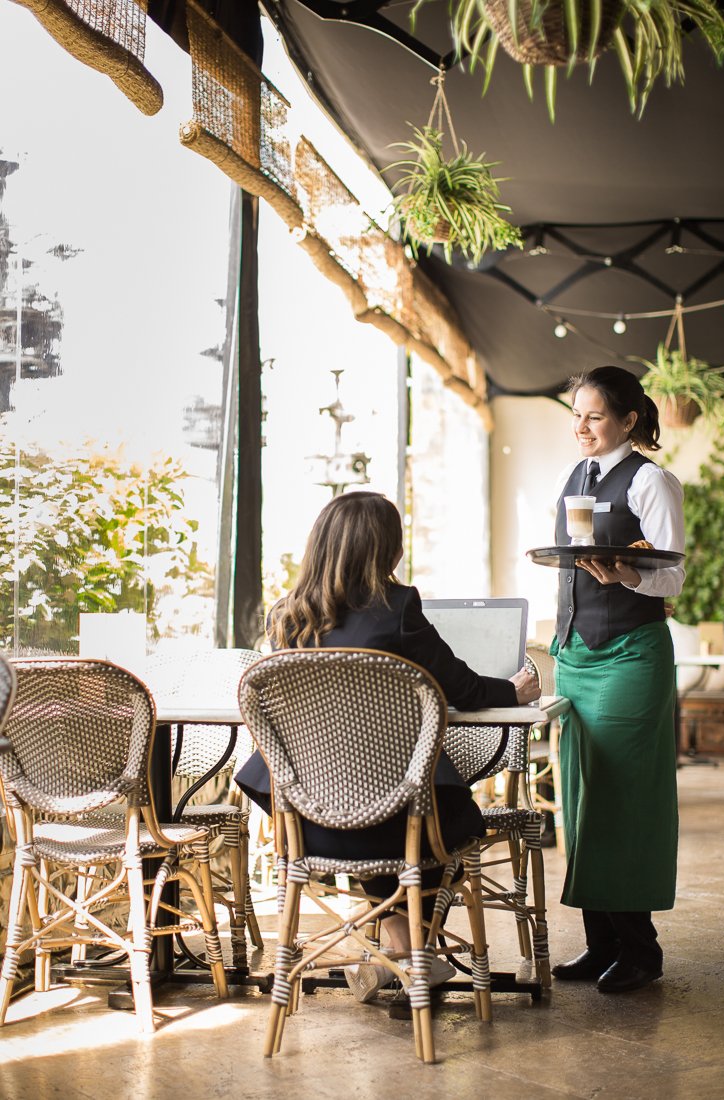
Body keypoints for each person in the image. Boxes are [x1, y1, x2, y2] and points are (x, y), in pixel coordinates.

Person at [235, 491, 539, 1002]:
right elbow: (460, 688)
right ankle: (415, 956)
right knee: (435, 822)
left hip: (313, 823)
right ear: (388, 553)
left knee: (379, 816)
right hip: (401, 818)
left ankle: (399, 952)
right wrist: (514, 690)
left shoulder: (285, 618)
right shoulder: (399, 608)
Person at [549, 365, 685, 994]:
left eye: (594, 415)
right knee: (581, 797)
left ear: (629, 420)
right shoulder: (578, 475)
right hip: (576, 654)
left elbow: (672, 578)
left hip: (630, 654)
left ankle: (640, 950)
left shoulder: (652, 481)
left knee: (625, 798)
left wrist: (627, 575)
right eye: (576, 414)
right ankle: (600, 942)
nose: (581, 426)